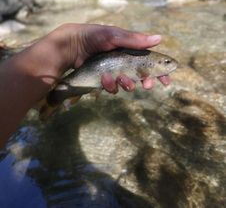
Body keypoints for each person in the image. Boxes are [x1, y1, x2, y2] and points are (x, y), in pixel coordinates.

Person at [0, 23, 170, 148]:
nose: (170, 65)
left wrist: (74, 42)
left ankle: (50, 101)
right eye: (167, 63)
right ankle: (50, 101)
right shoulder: (146, 65)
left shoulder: (147, 64)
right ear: (153, 64)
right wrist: (74, 41)